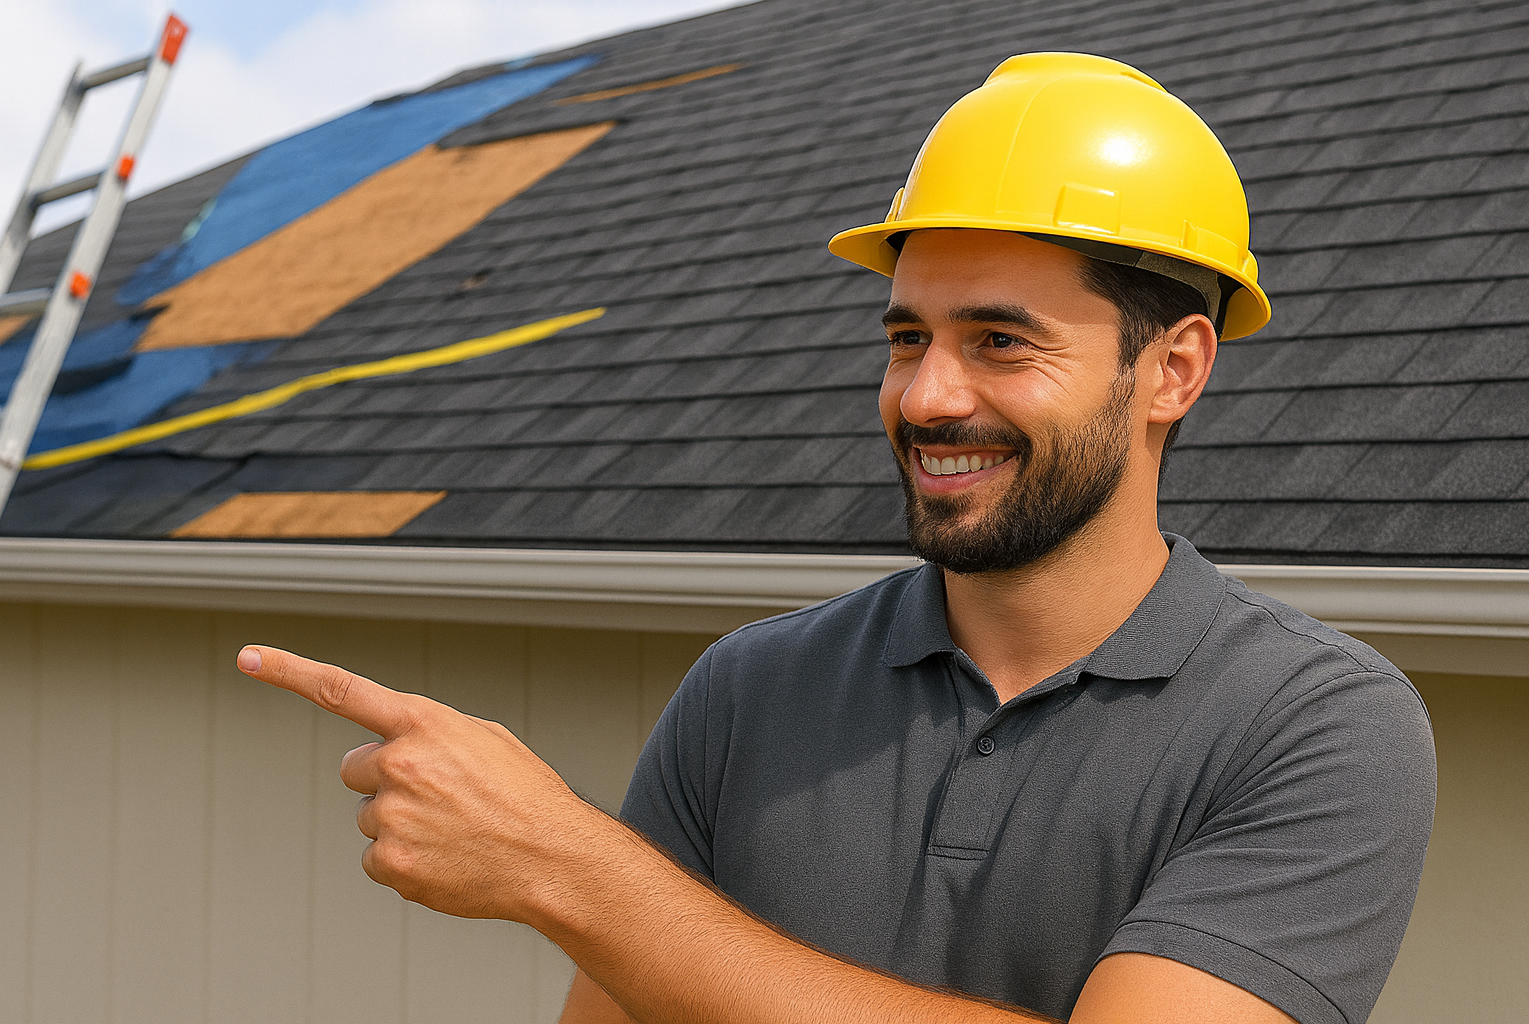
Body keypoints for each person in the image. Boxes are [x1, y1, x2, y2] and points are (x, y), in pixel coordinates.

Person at [239, 53, 1435, 1024]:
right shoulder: (751, 689)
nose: (925, 398)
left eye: (1000, 343)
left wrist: (572, 865)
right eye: (909, 337)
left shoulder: (1316, 725)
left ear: (1172, 368)